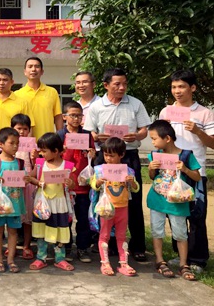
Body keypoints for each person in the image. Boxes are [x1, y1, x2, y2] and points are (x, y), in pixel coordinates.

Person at [83, 68, 151, 262]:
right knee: (104, 198)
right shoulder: (97, 106)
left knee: (133, 200)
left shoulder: (135, 103)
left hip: (128, 156)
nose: (122, 88)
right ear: (106, 85)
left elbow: (144, 129)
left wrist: (136, 135)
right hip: (104, 157)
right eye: (117, 84)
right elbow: (89, 132)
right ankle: (108, 243)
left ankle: (138, 246)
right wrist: (97, 136)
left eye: (124, 84)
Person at [159, 70, 214, 273]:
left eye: (181, 86)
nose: (177, 91)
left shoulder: (204, 113)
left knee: (197, 216)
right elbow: (160, 141)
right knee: (175, 214)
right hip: (170, 170)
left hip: (195, 171)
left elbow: (213, 143)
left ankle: (198, 260)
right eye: (174, 87)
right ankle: (180, 255)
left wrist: (198, 131)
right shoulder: (166, 112)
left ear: (193, 88)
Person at [147, 120, 201, 281]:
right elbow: (152, 177)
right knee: (157, 230)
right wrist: (151, 168)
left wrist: (185, 169)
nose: (153, 142)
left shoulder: (186, 155)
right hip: (157, 200)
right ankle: (159, 260)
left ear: (167, 138)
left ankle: (183, 264)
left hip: (178, 202)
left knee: (180, 232)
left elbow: (197, 177)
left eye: (154, 138)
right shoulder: (155, 155)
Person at [90, 137, 139, 277]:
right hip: (106, 208)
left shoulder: (128, 171)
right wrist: (98, 182)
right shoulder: (99, 170)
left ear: (121, 154)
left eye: (112, 156)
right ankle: (105, 262)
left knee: (121, 235)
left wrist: (132, 182)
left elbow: (136, 189)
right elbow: (93, 185)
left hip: (123, 207)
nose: (108, 158)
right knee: (104, 235)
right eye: (106, 155)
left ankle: (124, 263)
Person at [26, 132, 75, 271]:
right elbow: (30, 177)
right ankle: (41, 257)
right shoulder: (40, 164)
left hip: (59, 203)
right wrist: (37, 182)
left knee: (59, 229)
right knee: (41, 230)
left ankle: (60, 258)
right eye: (40, 150)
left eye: (44, 151)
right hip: (42, 203)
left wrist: (70, 183)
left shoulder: (67, 166)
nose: (41, 154)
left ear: (56, 151)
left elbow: (73, 185)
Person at [56, 100, 96, 263]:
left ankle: (82, 248)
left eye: (79, 116)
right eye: (72, 115)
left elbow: (92, 156)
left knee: (83, 218)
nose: (76, 119)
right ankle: (65, 247)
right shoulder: (60, 135)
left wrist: (92, 154)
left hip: (83, 184)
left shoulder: (87, 135)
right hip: (65, 185)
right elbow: (52, 157)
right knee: (65, 218)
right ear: (64, 117)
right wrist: (60, 152)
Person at [0, 127, 26, 273]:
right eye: (11, 143)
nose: (15, 146)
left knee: (13, 232)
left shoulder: (20, 163)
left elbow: (24, 178)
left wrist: (26, 179)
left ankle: (11, 260)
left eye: (17, 143)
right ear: (1, 144)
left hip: (15, 204)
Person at [14, 57, 63, 138]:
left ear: (42, 71)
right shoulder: (17, 94)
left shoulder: (52, 92)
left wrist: (60, 137)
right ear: (25, 72)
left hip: (47, 140)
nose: (33, 69)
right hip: (25, 141)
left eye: (37, 66)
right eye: (30, 66)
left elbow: (58, 117)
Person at [11, 114, 37, 260]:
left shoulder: (33, 146)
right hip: (13, 183)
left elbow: (37, 167)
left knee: (27, 218)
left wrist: (34, 157)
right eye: (18, 128)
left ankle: (27, 246)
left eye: (25, 129)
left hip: (28, 184)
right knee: (13, 215)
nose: (22, 132)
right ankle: (12, 246)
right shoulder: (8, 144)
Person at [0, 67, 33, 142]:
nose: (1, 83)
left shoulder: (22, 102)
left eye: (5, 80)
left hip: (15, 146)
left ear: (12, 82)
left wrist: (25, 146)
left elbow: (29, 127)